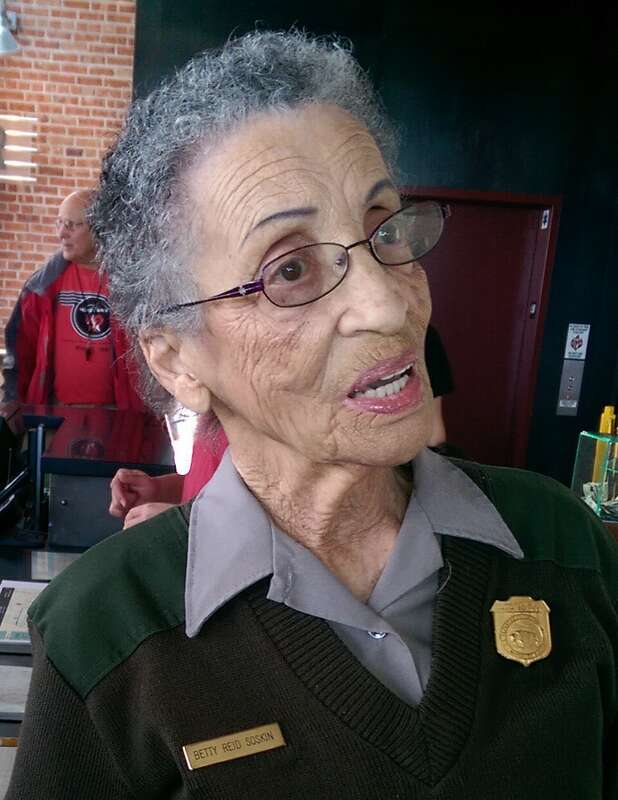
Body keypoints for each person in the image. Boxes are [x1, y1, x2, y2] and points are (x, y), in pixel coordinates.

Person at [8, 31, 617, 799]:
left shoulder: (563, 547)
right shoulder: (101, 633)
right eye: (288, 269)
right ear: (175, 360)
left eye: (384, 230)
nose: (390, 302)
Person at [109, 329, 451, 528]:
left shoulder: (285, 413)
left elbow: (309, 520)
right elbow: (217, 484)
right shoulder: (215, 398)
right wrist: (162, 490)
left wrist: (190, 527)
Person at [2, 190, 142, 409]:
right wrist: (12, 401)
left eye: (72, 225)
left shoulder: (134, 285)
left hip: (121, 417)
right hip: (55, 413)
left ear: (100, 228)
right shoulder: (41, 287)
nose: (61, 234)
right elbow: (19, 353)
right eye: (59, 223)